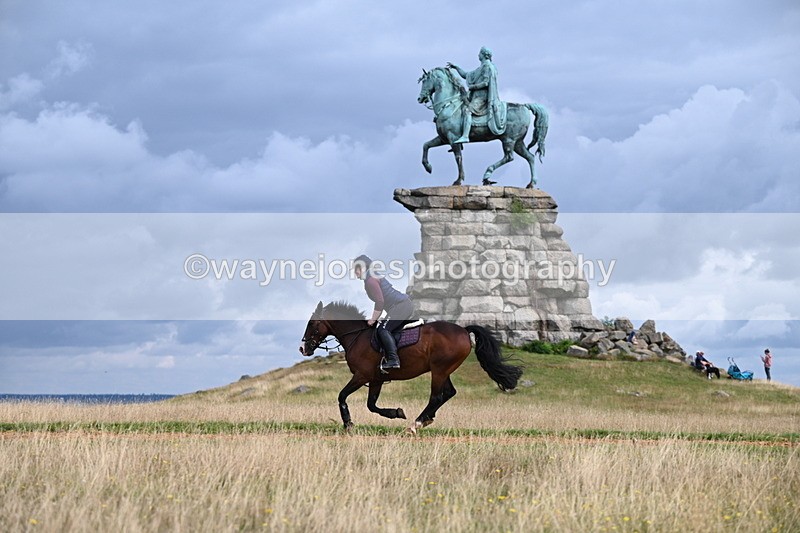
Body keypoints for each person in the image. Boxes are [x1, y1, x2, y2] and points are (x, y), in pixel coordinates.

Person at [353, 254, 414, 373]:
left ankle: (393, 359)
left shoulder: (371, 280)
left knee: (383, 330)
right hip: (399, 306)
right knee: (384, 327)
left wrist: (372, 319)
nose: (355, 273)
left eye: (356, 270)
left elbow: (380, 301)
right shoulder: (371, 277)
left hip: (401, 306)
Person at [447, 46, 507, 143]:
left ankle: (465, 136)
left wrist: (473, 87)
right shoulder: (481, 68)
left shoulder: (488, 67)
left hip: (482, 98)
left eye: (479, 53)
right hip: (475, 96)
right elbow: (466, 75)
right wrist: (456, 67)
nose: (478, 55)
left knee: (467, 111)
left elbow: (486, 83)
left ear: (483, 55)